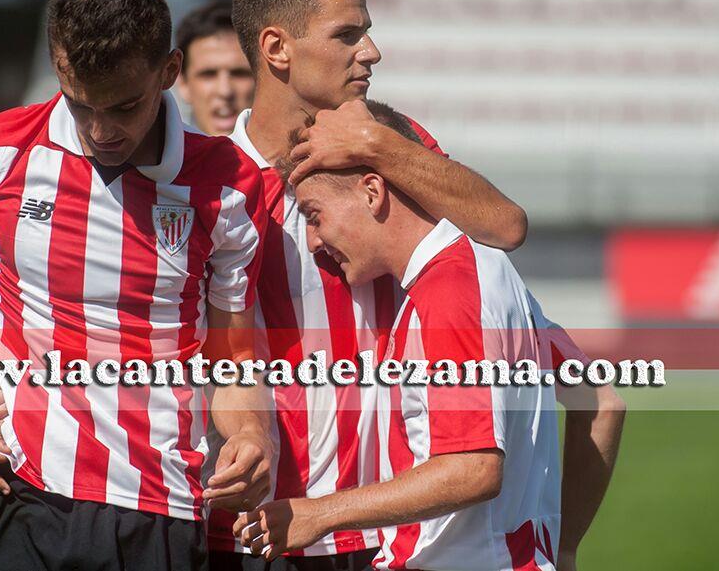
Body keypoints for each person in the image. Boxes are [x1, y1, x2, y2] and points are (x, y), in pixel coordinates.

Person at [0, 0, 273, 571]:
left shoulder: (230, 186)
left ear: (169, 73)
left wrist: (251, 435)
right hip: (18, 490)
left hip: (160, 508)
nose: (101, 130)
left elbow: (232, 359)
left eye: (125, 107)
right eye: (81, 105)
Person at [205, 0, 529, 570]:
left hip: (391, 527)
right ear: (278, 49)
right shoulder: (210, 184)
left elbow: (505, 227)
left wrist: (378, 143)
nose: (371, 52)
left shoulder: (389, 150)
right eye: (347, 34)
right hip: (267, 526)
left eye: (368, 33)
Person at [234, 105, 626, 571]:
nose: (314, 241)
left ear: (372, 191)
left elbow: (472, 468)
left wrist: (320, 513)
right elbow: (600, 403)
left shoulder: (450, 289)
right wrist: (562, 549)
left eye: (314, 215)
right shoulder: (486, 271)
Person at [175, 0, 255, 135]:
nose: (225, 91)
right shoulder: (158, 155)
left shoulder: (298, 152)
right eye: (208, 75)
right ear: (183, 83)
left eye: (239, 73)